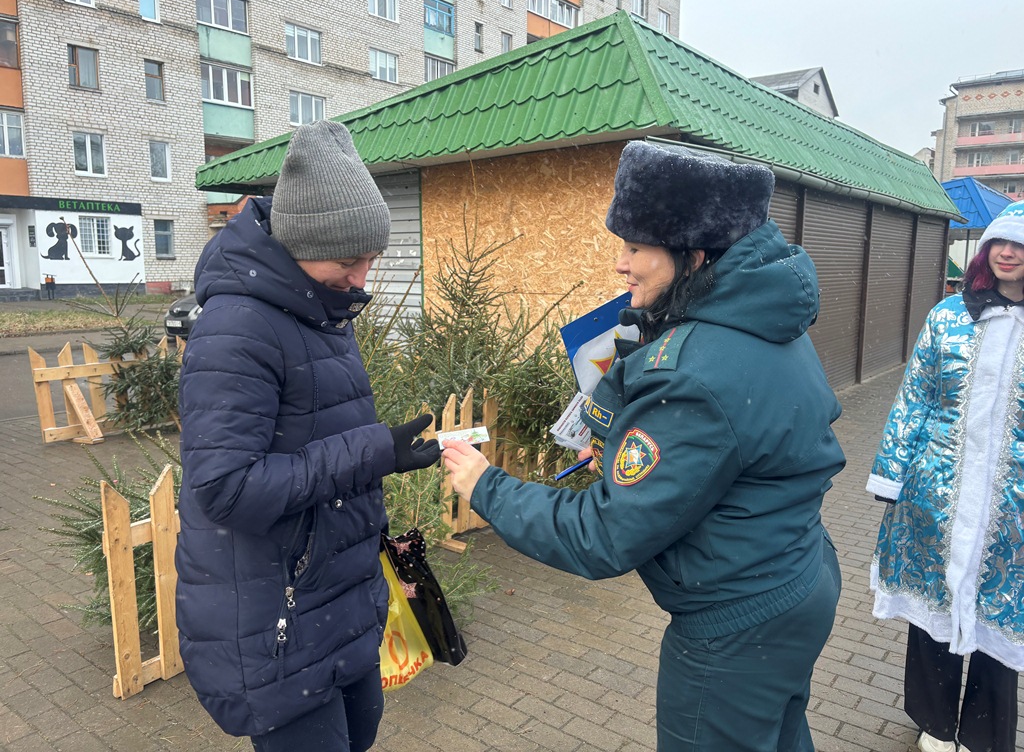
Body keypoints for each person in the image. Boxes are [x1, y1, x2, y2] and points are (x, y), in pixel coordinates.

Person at [443, 141, 845, 751]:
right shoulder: (764, 319)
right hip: (794, 576)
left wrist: (486, 486)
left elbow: (605, 535)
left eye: (636, 248)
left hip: (734, 627)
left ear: (696, 253)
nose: (620, 265)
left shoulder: (692, 371)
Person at [174, 120, 441, 751]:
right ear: (299, 245)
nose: (363, 279)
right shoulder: (237, 329)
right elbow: (226, 488)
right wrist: (373, 451)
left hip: (335, 602)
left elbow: (315, 438)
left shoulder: (322, 308)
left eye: (369, 259)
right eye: (350, 262)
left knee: (362, 736)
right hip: (276, 625)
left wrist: (379, 457)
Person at [868, 200, 1024, 752]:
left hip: (1012, 506)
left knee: (999, 620)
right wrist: (892, 476)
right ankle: (935, 725)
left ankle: (983, 734)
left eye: (1021, 245)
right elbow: (914, 398)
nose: (1008, 253)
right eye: (1000, 242)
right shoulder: (949, 315)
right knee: (931, 613)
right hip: (935, 493)